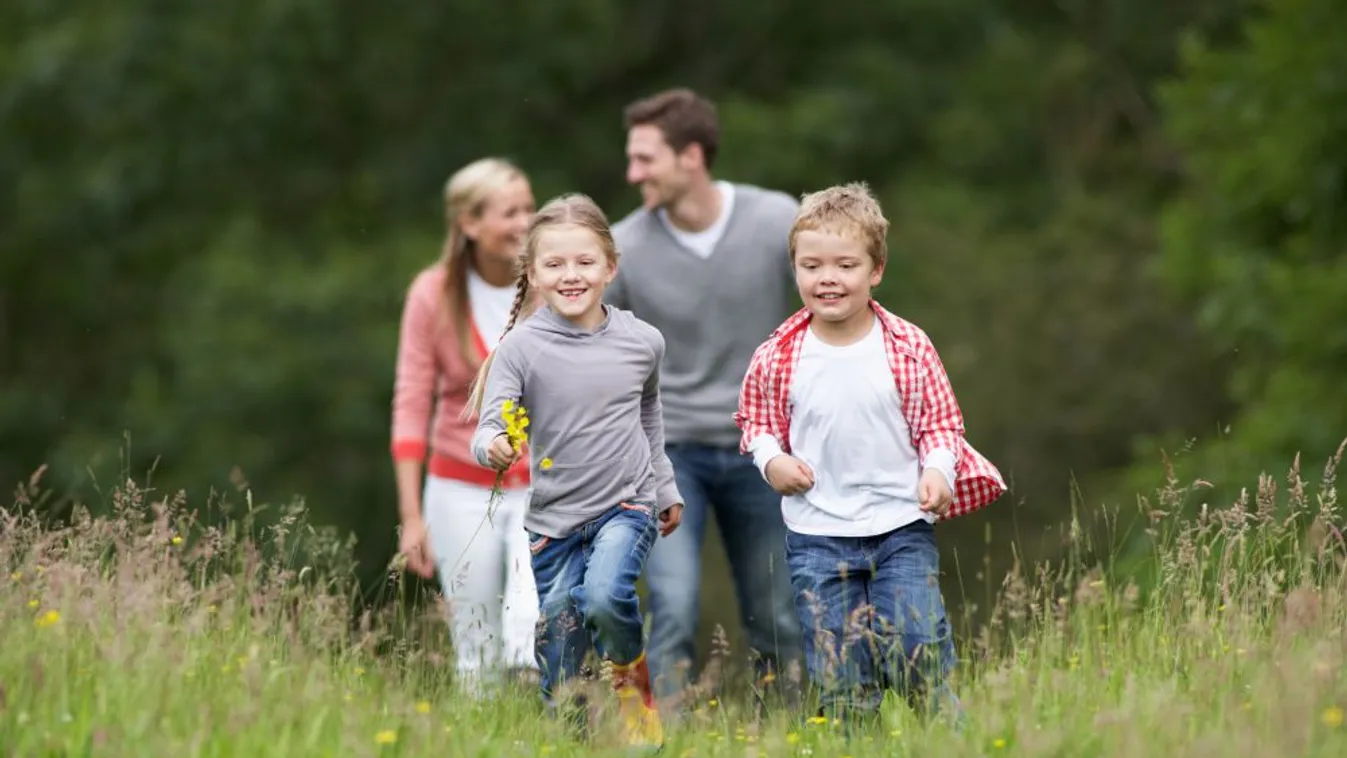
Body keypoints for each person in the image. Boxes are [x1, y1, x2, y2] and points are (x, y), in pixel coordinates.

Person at [734, 182, 1007, 724]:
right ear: (795, 270)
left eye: (845, 265)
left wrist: (938, 470)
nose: (827, 278)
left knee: (916, 645)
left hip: (900, 524)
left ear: (875, 270)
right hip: (816, 534)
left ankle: (950, 736)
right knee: (840, 673)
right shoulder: (779, 354)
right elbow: (756, 423)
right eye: (811, 266)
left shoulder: (907, 346)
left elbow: (940, 424)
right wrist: (772, 462)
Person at [605, 86, 804, 708]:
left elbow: (834, 305)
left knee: (779, 611)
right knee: (674, 606)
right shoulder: (624, 248)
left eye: (645, 159)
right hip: (669, 458)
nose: (632, 173)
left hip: (763, 449)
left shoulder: (778, 222)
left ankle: (801, 735)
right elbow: (599, 355)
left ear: (691, 156)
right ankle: (660, 743)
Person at [467, 193, 685, 749]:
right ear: (534, 273)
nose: (572, 275)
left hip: (627, 504)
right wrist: (494, 444)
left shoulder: (642, 341)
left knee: (607, 595)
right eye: (555, 264)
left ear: (610, 267)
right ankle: (568, 739)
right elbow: (488, 427)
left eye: (585, 262)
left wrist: (663, 486)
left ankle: (633, 686)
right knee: (561, 641)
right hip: (553, 522)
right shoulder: (520, 348)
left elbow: (648, 413)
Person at [390, 157, 540, 695]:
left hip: (542, 488)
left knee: (531, 632)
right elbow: (411, 401)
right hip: (456, 488)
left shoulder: (552, 287)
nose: (525, 222)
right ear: (469, 224)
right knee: (476, 645)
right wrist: (411, 516)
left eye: (530, 208)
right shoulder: (433, 294)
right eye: (509, 212)